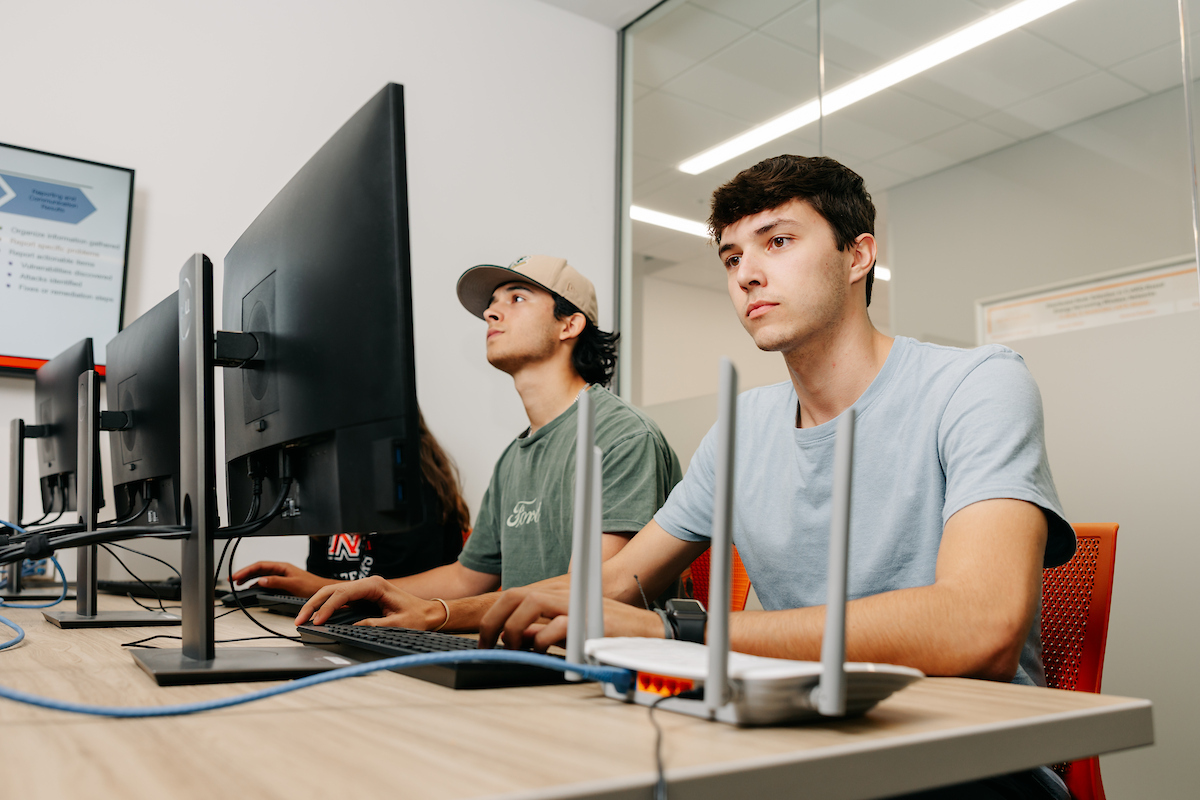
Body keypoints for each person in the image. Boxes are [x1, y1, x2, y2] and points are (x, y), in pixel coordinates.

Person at [476, 158, 1075, 800]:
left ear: (857, 257)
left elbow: (978, 629)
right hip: (801, 738)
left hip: (965, 761)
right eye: (732, 258)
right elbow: (618, 580)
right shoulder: (743, 426)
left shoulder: (977, 384)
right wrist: (439, 614)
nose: (747, 274)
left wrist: (676, 631)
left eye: (778, 241)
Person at [289, 255, 682, 631]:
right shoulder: (515, 456)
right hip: (526, 654)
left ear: (570, 325)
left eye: (516, 298)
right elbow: (466, 577)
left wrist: (437, 614)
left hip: (600, 672)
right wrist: (371, 590)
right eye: (491, 304)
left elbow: (595, 593)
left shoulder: (623, 438)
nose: (491, 313)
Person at [231, 411, 468, 595]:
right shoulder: (330, 492)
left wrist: (315, 587)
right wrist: (297, 585)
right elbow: (319, 572)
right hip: (350, 624)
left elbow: (402, 596)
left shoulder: (416, 492)